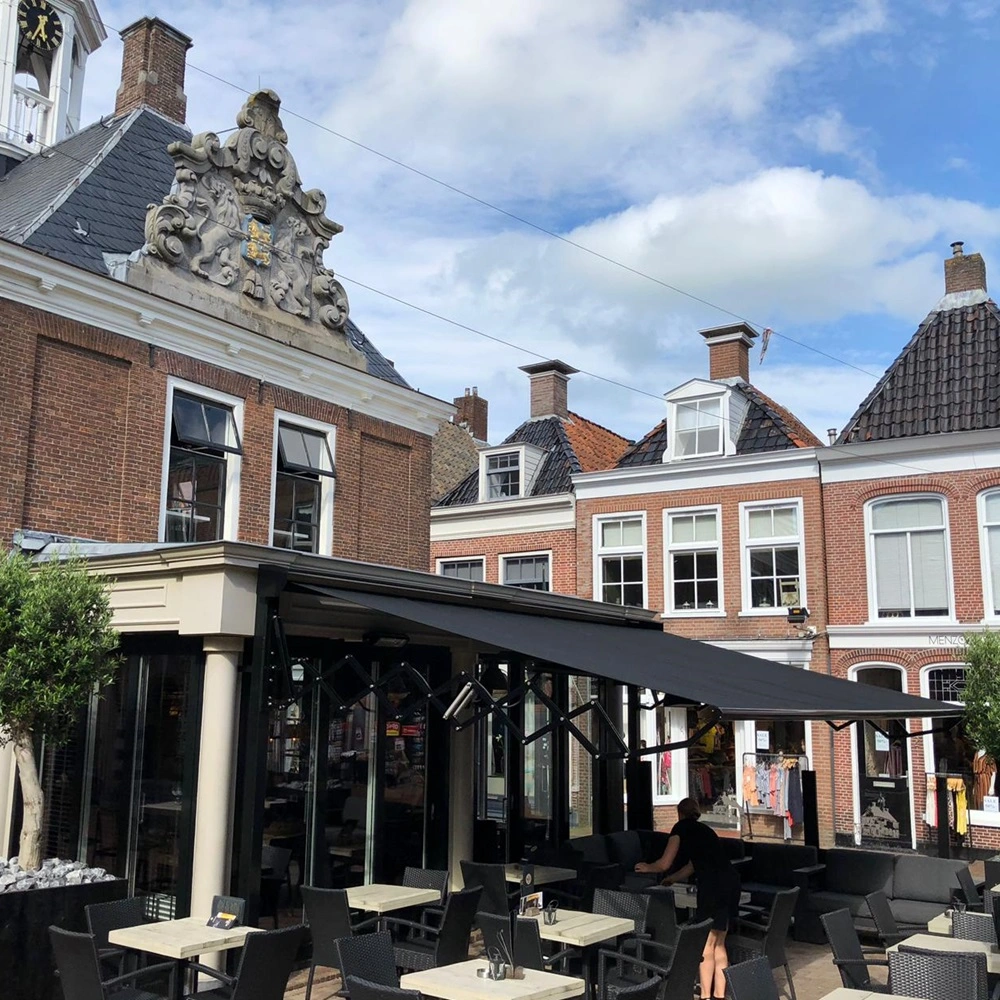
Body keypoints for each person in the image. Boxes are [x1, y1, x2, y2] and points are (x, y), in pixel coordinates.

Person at [634, 797, 740, 1000]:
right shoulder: (705, 831)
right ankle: (719, 995)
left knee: (706, 943)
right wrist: (672, 879)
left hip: (712, 886)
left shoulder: (680, 828)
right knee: (719, 942)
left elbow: (664, 863)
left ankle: (705, 996)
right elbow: (693, 865)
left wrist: (647, 867)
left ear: (679, 813)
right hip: (730, 882)